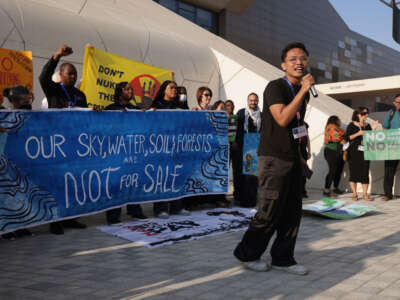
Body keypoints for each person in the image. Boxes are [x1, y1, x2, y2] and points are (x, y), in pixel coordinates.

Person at [234, 42, 314, 275]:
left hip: (292, 159)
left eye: (303, 58)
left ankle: (283, 259)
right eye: (293, 59)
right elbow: (281, 118)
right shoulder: (275, 87)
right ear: (283, 65)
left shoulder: (302, 93)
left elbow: (296, 125)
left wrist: (301, 158)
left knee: (292, 212)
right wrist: (302, 91)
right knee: (269, 210)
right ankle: (247, 254)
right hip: (273, 159)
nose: (299, 62)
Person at [39, 44, 87, 234]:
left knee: (74, 182)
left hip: (75, 144)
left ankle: (71, 218)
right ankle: (55, 221)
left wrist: (95, 111)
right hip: (57, 144)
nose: (73, 77)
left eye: (75, 74)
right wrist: (57, 55)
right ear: (61, 75)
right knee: (57, 183)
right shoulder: (53, 90)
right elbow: (43, 76)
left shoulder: (80, 95)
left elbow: (85, 116)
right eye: (70, 74)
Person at [104, 82, 147, 224]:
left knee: (133, 181)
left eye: (131, 89)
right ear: (119, 91)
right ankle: (113, 215)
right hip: (116, 152)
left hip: (132, 151)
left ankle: (135, 210)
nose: (130, 91)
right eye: (127, 89)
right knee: (116, 183)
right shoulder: (111, 108)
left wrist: (147, 114)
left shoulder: (135, 109)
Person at [150, 80, 190, 218]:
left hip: (177, 146)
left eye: (176, 88)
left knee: (177, 175)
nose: (175, 90)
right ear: (164, 90)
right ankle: (160, 208)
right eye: (171, 88)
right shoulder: (157, 105)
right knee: (162, 176)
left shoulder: (179, 105)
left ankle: (176, 207)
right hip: (161, 147)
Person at [1, 85, 35, 240]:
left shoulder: (25, 112)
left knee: (19, 193)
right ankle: (5, 228)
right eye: (24, 97)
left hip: (19, 160)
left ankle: (20, 226)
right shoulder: (4, 113)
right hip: (4, 160)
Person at [346, 107, 378, 201]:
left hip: (365, 152)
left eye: (367, 113)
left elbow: (371, 138)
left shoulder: (367, 125)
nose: (366, 115)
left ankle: (365, 195)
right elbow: (347, 138)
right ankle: (355, 194)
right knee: (353, 173)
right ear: (358, 114)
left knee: (365, 173)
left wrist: (373, 130)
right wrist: (358, 133)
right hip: (354, 152)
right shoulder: (352, 125)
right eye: (364, 113)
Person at [235, 92, 261, 208]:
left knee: (252, 175)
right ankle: (240, 199)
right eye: (251, 100)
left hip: (255, 146)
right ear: (247, 101)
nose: (253, 102)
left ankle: (251, 200)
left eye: (255, 100)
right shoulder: (241, 113)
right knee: (241, 175)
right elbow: (235, 128)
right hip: (242, 146)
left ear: (258, 101)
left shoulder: (262, 115)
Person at [381, 94, 400, 201]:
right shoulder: (391, 113)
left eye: (398, 102)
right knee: (389, 170)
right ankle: (388, 194)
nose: (396, 104)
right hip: (392, 146)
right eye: (395, 102)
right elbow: (384, 128)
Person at [323, 116, 345, 197]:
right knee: (332, 170)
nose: (340, 121)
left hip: (338, 150)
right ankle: (326, 189)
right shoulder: (332, 126)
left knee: (338, 170)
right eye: (339, 120)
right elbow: (336, 137)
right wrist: (343, 139)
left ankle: (335, 187)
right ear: (335, 120)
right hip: (331, 151)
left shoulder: (337, 128)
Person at [225, 100, 240, 203]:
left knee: (235, 170)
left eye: (229, 105)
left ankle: (236, 193)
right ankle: (223, 194)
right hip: (224, 146)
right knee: (224, 170)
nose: (227, 107)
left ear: (233, 106)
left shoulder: (236, 117)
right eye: (226, 106)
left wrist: (235, 141)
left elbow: (238, 131)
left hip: (234, 146)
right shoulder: (221, 117)